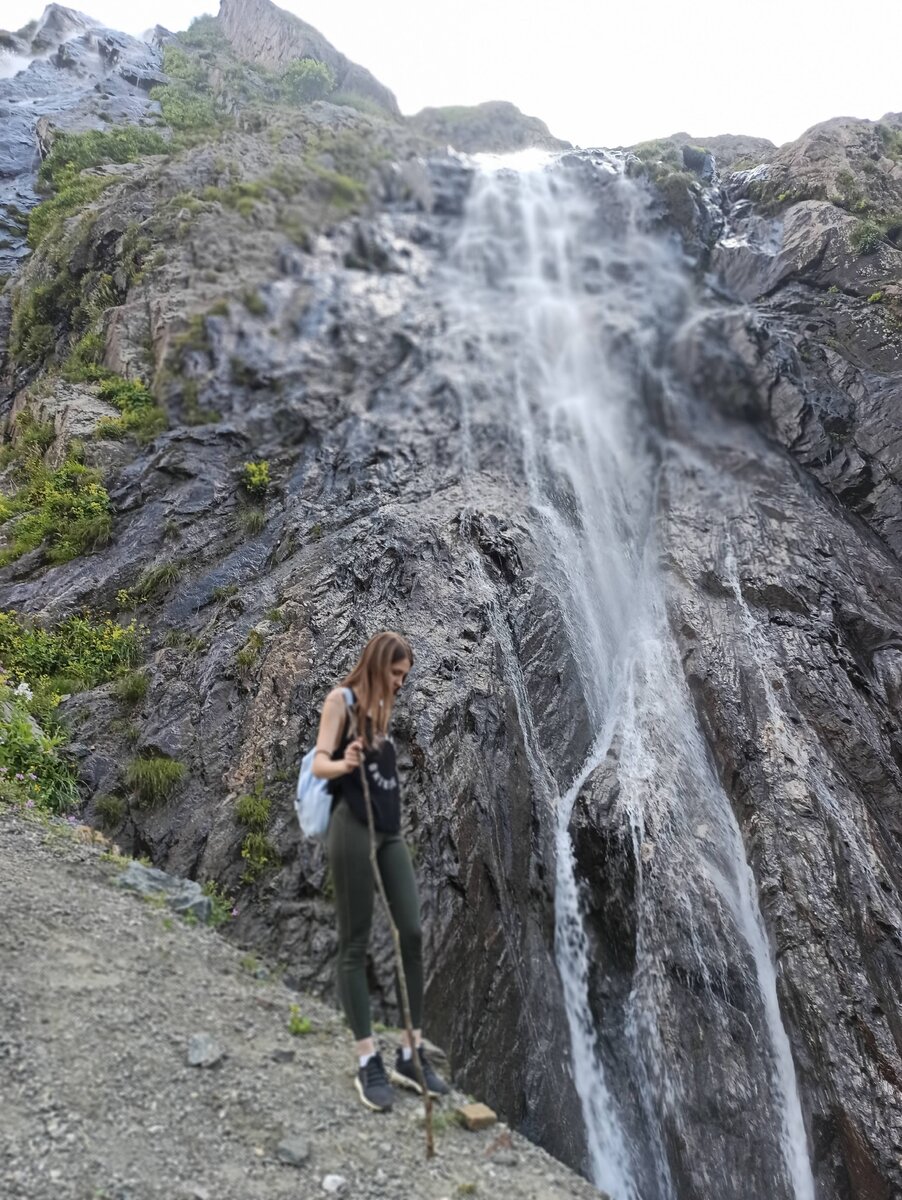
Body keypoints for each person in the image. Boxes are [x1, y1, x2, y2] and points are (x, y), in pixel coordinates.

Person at [311, 630, 451, 1112]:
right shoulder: (342, 702)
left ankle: (410, 1052)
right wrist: (343, 762)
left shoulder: (383, 712)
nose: (399, 684)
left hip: (389, 831)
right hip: (351, 827)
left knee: (410, 931)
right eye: (395, 674)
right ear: (375, 664)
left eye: (405, 677)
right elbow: (318, 766)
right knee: (356, 939)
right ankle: (367, 1058)